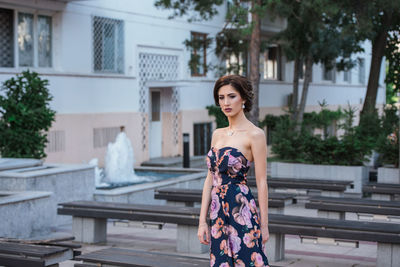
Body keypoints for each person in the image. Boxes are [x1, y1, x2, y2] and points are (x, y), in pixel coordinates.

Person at [198, 75, 270, 267]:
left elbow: (262, 181)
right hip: (217, 210)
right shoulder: (217, 134)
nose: (226, 102)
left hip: (241, 207)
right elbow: (209, 179)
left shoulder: (255, 134)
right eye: (221, 98)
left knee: (248, 261)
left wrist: (264, 225)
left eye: (231, 96)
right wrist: (202, 221)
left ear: (243, 98)